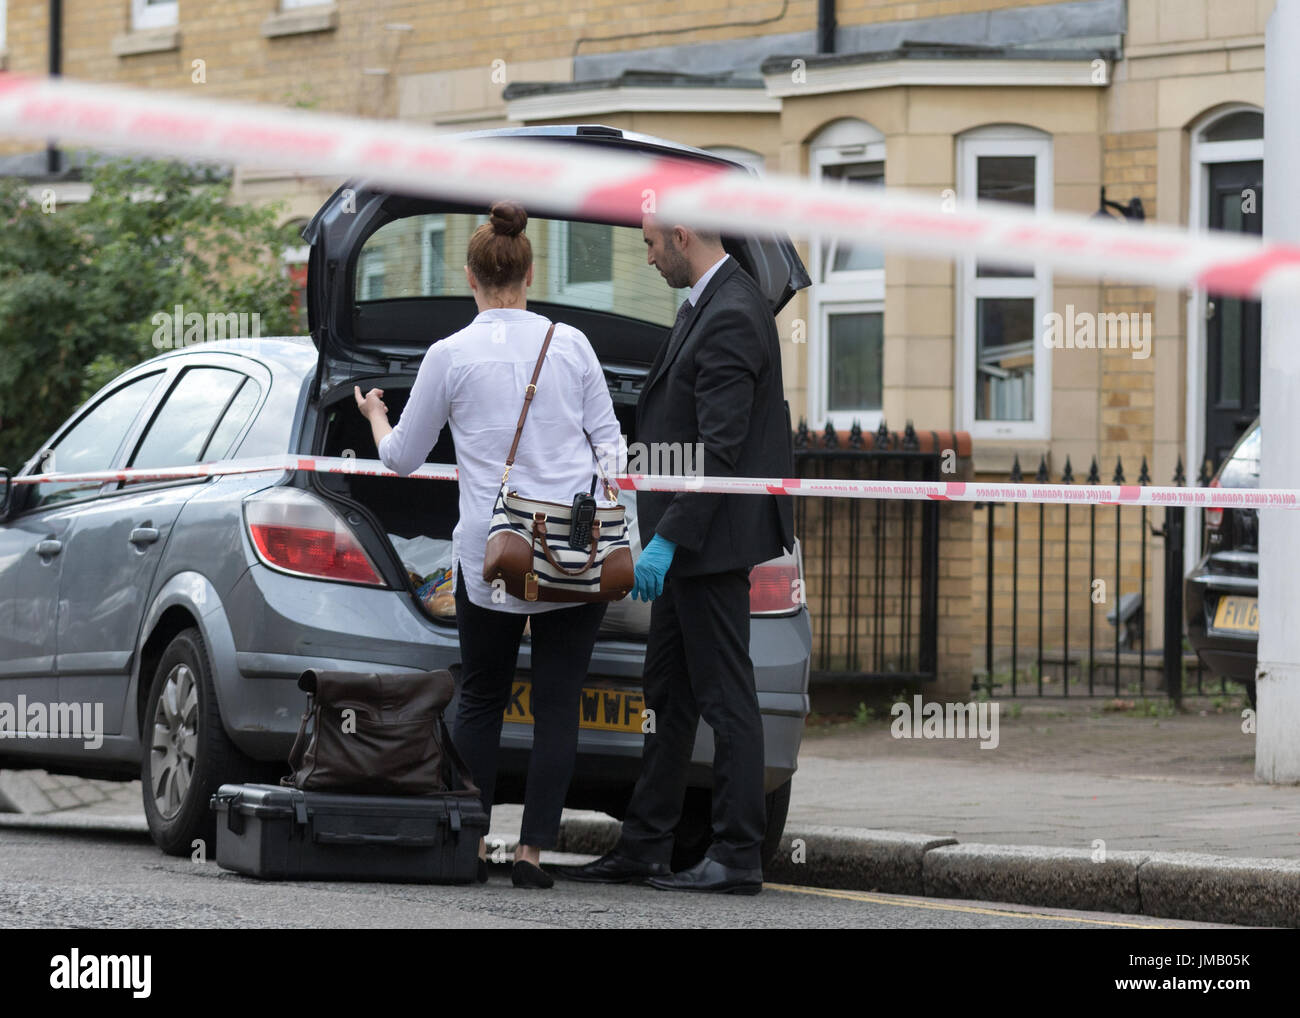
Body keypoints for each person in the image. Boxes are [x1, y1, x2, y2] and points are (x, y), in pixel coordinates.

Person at [355, 200, 620, 890]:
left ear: (470, 279)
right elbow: (610, 445)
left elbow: (403, 460)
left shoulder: (449, 355)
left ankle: (469, 844)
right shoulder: (573, 343)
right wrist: (588, 498)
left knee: (482, 696)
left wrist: (378, 417)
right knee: (560, 703)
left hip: (491, 554)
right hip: (570, 548)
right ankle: (532, 855)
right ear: (530, 272)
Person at [562, 216, 794, 894]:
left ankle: (738, 855)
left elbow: (720, 452)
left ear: (683, 234)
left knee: (728, 699)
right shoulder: (708, 303)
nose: (647, 255)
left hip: (708, 548)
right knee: (667, 694)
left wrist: (669, 538)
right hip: (689, 548)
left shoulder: (731, 312)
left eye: (649, 241)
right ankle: (646, 844)